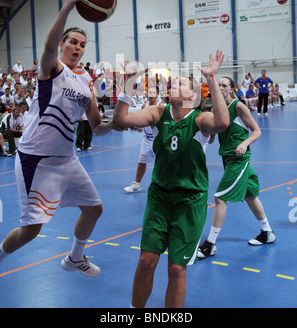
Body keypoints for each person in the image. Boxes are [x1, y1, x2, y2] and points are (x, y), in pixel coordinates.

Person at [0, 0, 120, 277]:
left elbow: (96, 127)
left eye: (82, 44)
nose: (77, 47)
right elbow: (48, 46)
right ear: (63, 45)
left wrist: (117, 122)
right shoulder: (52, 69)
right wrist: (67, 6)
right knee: (31, 230)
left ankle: (75, 258)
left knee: (94, 209)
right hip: (35, 160)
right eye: (73, 42)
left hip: (66, 159)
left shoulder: (86, 82)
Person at [113, 52, 229, 308]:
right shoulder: (158, 112)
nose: (173, 84)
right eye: (173, 82)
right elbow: (120, 120)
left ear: (193, 96)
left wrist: (211, 78)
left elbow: (222, 121)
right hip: (160, 197)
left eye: (181, 83)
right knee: (145, 262)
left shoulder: (199, 120)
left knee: (176, 269)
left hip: (190, 201)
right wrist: (128, 82)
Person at [197, 77, 276, 260]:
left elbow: (257, 130)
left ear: (232, 89)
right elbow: (212, 137)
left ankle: (210, 244)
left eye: (225, 85)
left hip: (239, 159)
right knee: (250, 195)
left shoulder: (238, 106)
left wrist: (244, 143)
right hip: (227, 158)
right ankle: (267, 232)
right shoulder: (215, 110)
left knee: (219, 198)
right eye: (218, 86)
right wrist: (207, 134)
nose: (221, 88)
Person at [124, 86, 162, 194]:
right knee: (141, 161)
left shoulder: (160, 107)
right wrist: (139, 126)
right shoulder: (145, 105)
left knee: (160, 163)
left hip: (158, 139)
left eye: (154, 92)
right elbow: (141, 118)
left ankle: (161, 185)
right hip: (147, 139)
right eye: (150, 92)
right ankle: (137, 184)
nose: (151, 94)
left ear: (157, 95)